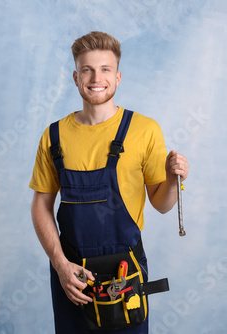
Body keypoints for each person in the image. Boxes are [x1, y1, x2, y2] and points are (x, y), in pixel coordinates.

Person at [29, 31, 189, 333]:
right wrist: (60, 265)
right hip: (73, 275)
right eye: (87, 70)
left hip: (124, 274)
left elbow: (162, 204)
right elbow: (40, 206)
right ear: (76, 77)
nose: (95, 77)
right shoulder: (53, 137)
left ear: (117, 77)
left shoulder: (144, 130)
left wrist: (171, 179)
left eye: (104, 69)